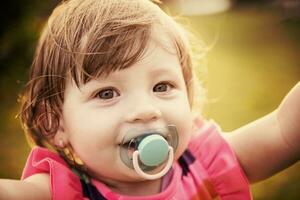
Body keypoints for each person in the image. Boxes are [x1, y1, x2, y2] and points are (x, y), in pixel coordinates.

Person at [0, 0, 299, 199]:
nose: (145, 110)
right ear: (55, 123)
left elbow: (285, 131)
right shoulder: (62, 192)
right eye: (107, 93)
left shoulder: (205, 166)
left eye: (162, 86)